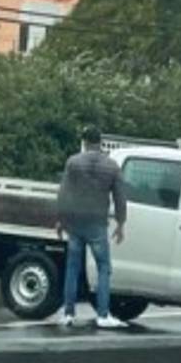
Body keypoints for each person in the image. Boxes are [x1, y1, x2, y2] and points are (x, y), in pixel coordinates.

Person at [55, 125, 128, 329]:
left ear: (85, 142)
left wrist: (61, 219)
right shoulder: (112, 166)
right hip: (97, 223)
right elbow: (120, 197)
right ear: (101, 142)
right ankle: (103, 315)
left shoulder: (73, 163)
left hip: (76, 222)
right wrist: (121, 223)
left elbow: (63, 193)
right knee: (104, 268)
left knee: (72, 267)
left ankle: (68, 313)